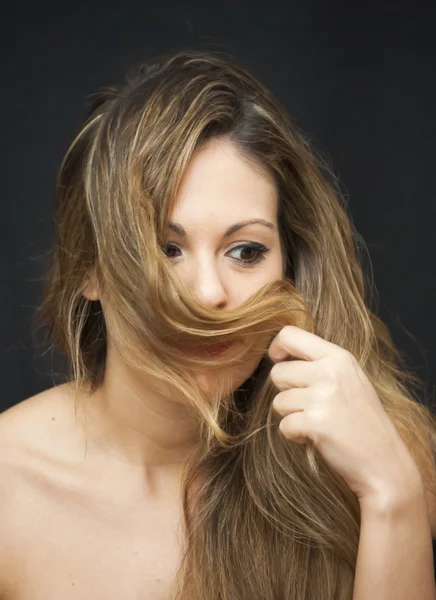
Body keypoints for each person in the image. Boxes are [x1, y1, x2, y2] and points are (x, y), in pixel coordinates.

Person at [0, 49, 435, 600]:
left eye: (246, 251)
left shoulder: (382, 459)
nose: (208, 294)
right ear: (91, 270)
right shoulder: (8, 488)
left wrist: (391, 492)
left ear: (291, 267)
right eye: (166, 248)